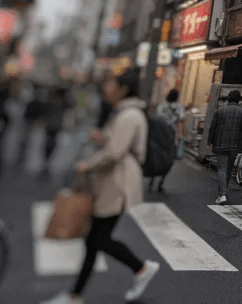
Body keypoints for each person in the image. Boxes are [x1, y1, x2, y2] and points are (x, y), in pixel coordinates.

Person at [43, 69, 159, 304]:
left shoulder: (129, 116)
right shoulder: (126, 114)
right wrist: (103, 139)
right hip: (113, 182)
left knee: (98, 239)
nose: (107, 89)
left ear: (123, 89)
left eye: (111, 84)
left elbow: (115, 153)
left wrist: (88, 165)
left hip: (117, 184)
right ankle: (75, 295)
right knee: (95, 240)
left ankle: (141, 268)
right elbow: (117, 146)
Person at [207, 90, 242, 205]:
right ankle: (223, 191)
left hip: (220, 143)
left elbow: (213, 127)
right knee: (229, 169)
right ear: (238, 100)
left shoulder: (220, 110)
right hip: (235, 145)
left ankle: (222, 194)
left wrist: (209, 142)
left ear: (228, 99)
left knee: (222, 168)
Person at [151, 89, 185, 193]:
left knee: (157, 157)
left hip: (159, 135)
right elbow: (180, 121)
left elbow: (157, 119)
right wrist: (180, 134)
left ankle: (152, 178)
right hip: (171, 136)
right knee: (169, 160)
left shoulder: (161, 106)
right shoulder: (179, 108)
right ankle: (161, 182)